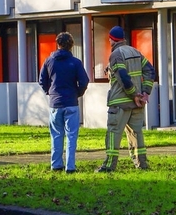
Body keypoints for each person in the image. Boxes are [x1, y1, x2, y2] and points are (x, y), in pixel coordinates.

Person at [97, 26, 156, 173]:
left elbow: (123, 77)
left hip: (120, 104)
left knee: (113, 133)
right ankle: (141, 164)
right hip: (137, 104)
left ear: (111, 39)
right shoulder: (135, 52)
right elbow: (150, 71)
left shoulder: (116, 54)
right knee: (136, 134)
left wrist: (134, 94)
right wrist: (145, 93)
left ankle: (109, 166)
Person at [39, 32, 90, 174]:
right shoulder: (75, 62)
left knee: (56, 135)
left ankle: (56, 165)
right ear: (71, 45)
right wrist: (77, 93)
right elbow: (84, 81)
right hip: (71, 102)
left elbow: (42, 80)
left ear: (57, 44)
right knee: (71, 136)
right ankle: (70, 166)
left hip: (55, 103)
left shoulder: (49, 61)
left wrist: (50, 92)